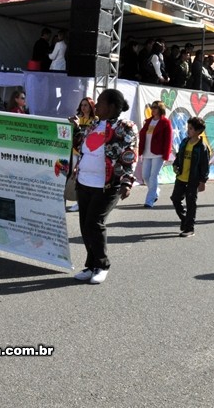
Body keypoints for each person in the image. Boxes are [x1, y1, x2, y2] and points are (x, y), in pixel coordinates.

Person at [71, 89, 137, 284]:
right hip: (84, 182)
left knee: (94, 223)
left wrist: (127, 181)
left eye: (100, 102)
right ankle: (91, 265)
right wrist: (75, 129)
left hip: (107, 184)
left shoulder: (125, 127)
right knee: (85, 225)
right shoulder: (93, 124)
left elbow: (129, 153)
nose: (96, 105)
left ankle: (102, 265)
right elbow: (80, 146)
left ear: (112, 106)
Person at [171, 117, 210, 237]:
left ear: (198, 131)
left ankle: (189, 228)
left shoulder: (202, 147)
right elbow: (179, 156)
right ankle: (184, 219)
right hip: (181, 177)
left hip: (193, 179)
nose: (188, 130)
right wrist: (175, 165)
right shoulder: (184, 142)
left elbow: (204, 165)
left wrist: (203, 181)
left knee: (191, 203)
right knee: (175, 199)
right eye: (188, 128)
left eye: (191, 128)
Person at [138, 100, 172, 208]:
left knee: (153, 176)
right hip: (146, 152)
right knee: (145, 176)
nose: (153, 109)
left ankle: (149, 201)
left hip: (158, 154)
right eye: (152, 107)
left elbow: (168, 140)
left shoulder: (165, 122)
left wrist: (166, 155)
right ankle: (155, 191)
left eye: (155, 107)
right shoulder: (148, 121)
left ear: (160, 109)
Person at [66, 97, 96, 213]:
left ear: (91, 107)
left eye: (86, 105)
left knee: (82, 177)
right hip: (75, 151)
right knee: (74, 177)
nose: (83, 107)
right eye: (82, 105)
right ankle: (77, 200)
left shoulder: (95, 120)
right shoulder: (78, 118)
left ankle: (81, 202)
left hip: (88, 153)